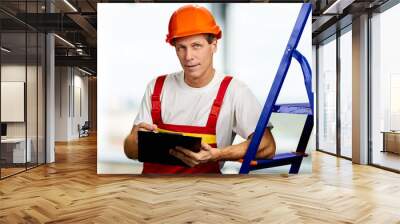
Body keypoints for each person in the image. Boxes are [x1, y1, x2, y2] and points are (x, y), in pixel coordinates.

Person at [124, 4, 276, 174]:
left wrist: (218, 154)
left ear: (214, 45)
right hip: (153, 192)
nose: (188, 56)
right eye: (181, 47)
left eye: (196, 45)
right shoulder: (157, 87)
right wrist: (134, 140)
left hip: (204, 193)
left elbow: (267, 146)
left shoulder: (234, 91)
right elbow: (130, 151)